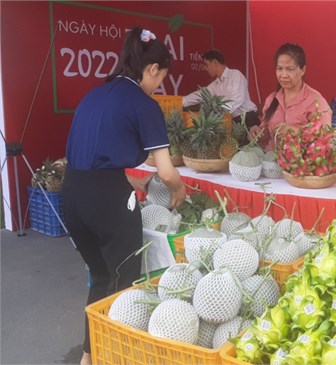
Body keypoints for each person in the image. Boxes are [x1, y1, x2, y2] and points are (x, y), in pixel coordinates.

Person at [62, 27, 186, 365]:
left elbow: (94, 161)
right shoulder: (144, 104)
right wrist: (179, 189)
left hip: (71, 194)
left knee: (101, 277)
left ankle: (90, 357)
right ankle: (117, 356)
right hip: (107, 202)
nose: (159, 85)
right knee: (124, 286)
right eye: (161, 77)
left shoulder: (94, 95)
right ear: (152, 69)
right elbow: (166, 171)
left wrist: (130, 184)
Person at [249, 43, 332, 151]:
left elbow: (326, 137)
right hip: (271, 164)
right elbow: (266, 134)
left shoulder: (315, 101)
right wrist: (257, 132)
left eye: (290, 69)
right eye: (279, 68)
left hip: (302, 165)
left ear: (303, 70)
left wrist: (297, 131)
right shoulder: (271, 99)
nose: (283, 75)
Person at [183, 49, 259, 128]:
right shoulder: (215, 85)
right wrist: (180, 101)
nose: (206, 68)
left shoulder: (235, 75)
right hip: (232, 122)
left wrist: (218, 113)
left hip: (248, 120)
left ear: (215, 62)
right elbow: (200, 95)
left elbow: (237, 99)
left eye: (206, 64)